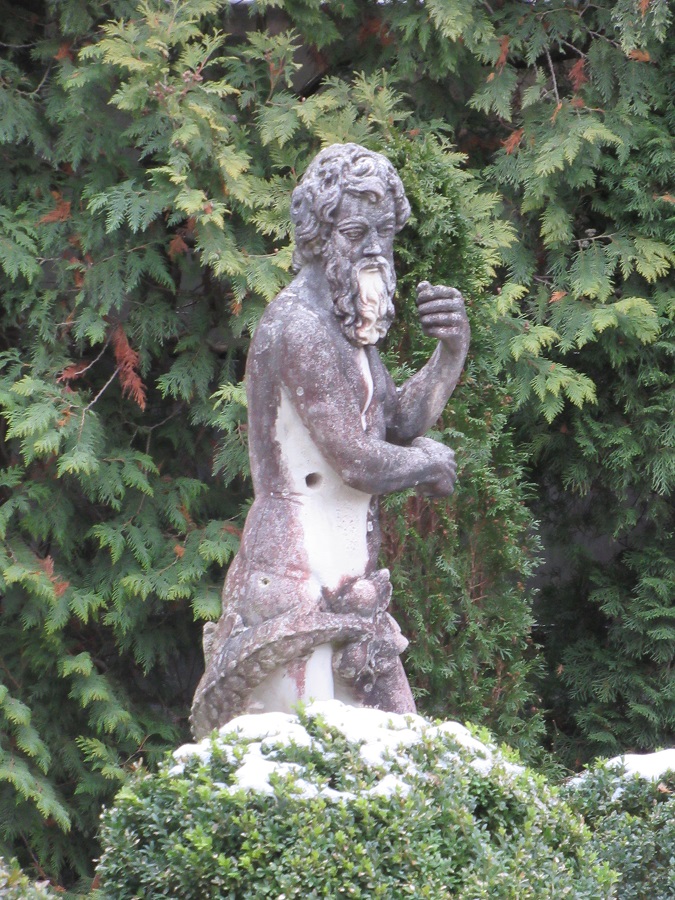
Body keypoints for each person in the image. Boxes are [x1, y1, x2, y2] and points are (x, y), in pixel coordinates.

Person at [191, 144, 470, 737]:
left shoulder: (349, 330)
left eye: (383, 233)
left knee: (402, 757)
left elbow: (396, 422)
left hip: (349, 587)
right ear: (318, 237)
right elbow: (357, 460)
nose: (374, 250)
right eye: (354, 232)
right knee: (302, 761)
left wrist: (451, 354)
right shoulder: (299, 326)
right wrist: (428, 465)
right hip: (293, 582)